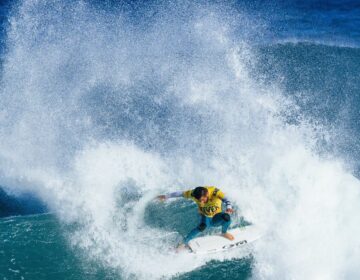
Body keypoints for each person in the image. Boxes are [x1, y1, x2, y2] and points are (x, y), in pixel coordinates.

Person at [157, 186, 234, 248]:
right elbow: (180, 193)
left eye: (202, 200)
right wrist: (166, 196)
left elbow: (226, 199)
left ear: (207, 194)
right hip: (206, 216)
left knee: (226, 217)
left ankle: (224, 233)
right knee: (202, 227)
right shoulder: (193, 193)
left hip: (217, 216)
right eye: (199, 200)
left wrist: (229, 207)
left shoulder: (215, 192)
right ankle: (183, 243)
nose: (201, 202)